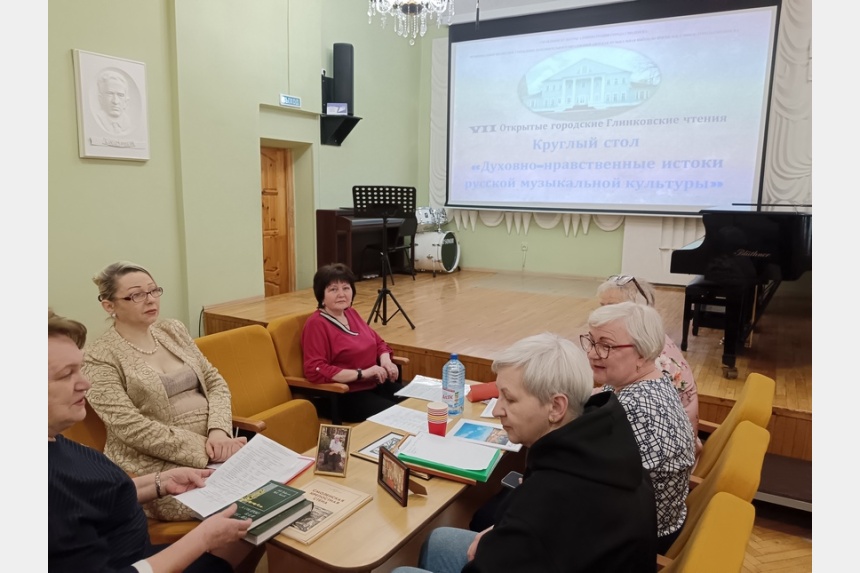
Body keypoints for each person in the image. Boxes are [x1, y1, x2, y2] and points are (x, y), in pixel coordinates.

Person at [393, 333, 657, 573]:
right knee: (440, 540)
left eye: (509, 399)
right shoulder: (605, 443)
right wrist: (500, 531)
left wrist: (502, 538)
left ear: (556, 407)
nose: (497, 410)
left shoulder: (547, 501)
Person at [49, 309, 258, 572]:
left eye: (79, 369)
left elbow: (94, 498)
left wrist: (159, 483)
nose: (85, 384)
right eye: (66, 374)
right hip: (140, 564)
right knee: (257, 519)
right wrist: (202, 539)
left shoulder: (55, 439)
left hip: (141, 550)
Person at [84, 261, 247, 521]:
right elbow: (130, 427)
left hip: (217, 447)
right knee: (240, 504)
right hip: (156, 466)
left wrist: (219, 432)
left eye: (153, 290)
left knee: (271, 487)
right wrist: (207, 449)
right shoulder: (98, 356)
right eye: (136, 295)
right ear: (109, 305)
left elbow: (215, 382)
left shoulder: (172, 330)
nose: (150, 300)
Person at [584, 301, 696, 554]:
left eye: (605, 345)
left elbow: (594, 490)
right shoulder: (649, 379)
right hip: (640, 520)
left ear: (642, 354)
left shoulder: (635, 411)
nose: (592, 353)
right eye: (591, 341)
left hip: (630, 543)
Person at [596, 274, 702, 456]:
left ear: (639, 312)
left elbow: (627, 417)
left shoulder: (652, 359)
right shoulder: (646, 338)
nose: (603, 315)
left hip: (660, 451)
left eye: (612, 308)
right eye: (602, 307)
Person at [301, 263, 404, 422]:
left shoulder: (350, 313)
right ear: (321, 296)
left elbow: (378, 342)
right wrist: (362, 373)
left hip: (374, 384)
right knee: (398, 416)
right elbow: (315, 369)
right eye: (333, 289)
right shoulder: (316, 324)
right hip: (345, 394)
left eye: (346, 288)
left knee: (416, 402)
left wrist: (386, 361)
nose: (341, 294)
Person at [94, 69, 133, 135]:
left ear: (126, 101)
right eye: (110, 93)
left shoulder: (128, 124)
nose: (115, 101)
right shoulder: (97, 120)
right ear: (100, 98)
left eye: (120, 95)